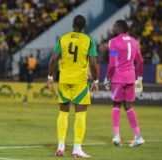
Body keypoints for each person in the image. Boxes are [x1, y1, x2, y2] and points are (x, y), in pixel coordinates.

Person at [47, 15, 98, 158]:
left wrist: (50, 77)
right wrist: (96, 80)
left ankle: (61, 147)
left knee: (63, 113)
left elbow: (53, 60)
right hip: (80, 81)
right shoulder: (89, 40)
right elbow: (93, 64)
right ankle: (76, 149)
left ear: (73, 25)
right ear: (84, 26)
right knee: (80, 114)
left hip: (64, 79)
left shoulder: (63, 38)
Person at [104, 20, 144, 147]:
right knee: (129, 106)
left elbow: (112, 63)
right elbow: (140, 61)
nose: (112, 28)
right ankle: (138, 137)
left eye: (114, 26)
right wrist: (140, 78)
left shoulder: (113, 42)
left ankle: (116, 136)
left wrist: (107, 77)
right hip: (131, 78)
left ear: (119, 28)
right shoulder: (134, 41)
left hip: (118, 78)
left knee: (116, 105)